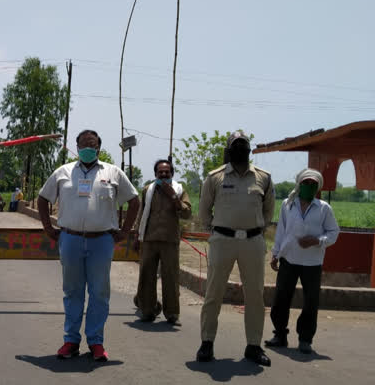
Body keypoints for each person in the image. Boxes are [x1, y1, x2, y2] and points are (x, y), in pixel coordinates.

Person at [37, 129, 140, 361]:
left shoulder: (113, 172)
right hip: (70, 238)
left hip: (102, 241)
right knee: (72, 292)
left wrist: (124, 231)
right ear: (76, 146)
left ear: (99, 148)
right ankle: (71, 340)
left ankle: (96, 342)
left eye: (91, 144)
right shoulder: (63, 172)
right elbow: (43, 198)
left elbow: (134, 201)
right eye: (83, 143)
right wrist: (47, 227)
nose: (87, 147)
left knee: (99, 293)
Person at [197, 131, 275, 366]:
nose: (240, 148)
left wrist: (257, 229)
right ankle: (206, 343)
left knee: (255, 295)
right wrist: (218, 230)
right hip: (223, 241)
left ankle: (253, 346)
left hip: (252, 242)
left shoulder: (263, 177)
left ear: (249, 150)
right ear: (229, 151)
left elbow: (268, 211)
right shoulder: (215, 177)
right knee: (213, 293)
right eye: (236, 145)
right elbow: (203, 212)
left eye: (244, 145)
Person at [265, 168, 339, 354]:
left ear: (318, 187)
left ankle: (305, 339)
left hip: (312, 262)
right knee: (281, 297)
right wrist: (275, 254)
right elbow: (281, 231)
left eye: (313, 184)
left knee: (310, 301)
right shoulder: (288, 205)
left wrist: (317, 241)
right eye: (306, 182)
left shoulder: (323, 208)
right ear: (299, 184)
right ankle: (280, 334)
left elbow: (333, 233)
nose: (309, 186)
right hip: (289, 258)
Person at [135, 159, 192, 323]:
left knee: (171, 277)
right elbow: (141, 213)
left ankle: (172, 313)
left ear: (172, 173)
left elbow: (187, 213)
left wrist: (173, 197)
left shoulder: (180, 189)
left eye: (167, 172)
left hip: (170, 240)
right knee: (146, 275)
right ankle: (147, 310)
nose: (164, 174)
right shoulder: (148, 190)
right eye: (160, 172)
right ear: (155, 174)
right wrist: (137, 236)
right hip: (149, 239)